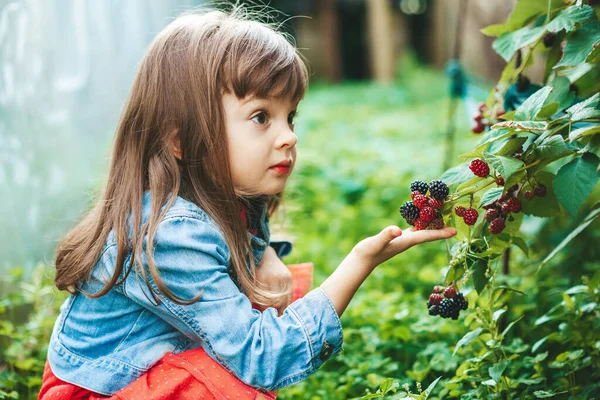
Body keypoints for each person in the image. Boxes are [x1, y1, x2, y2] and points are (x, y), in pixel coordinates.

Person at [38, 5, 456, 399]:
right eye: (261, 117)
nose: (289, 135)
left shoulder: (228, 194)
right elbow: (262, 358)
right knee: (226, 375)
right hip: (102, 389)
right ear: (180, 139)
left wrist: (267, 253)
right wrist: (360, 261)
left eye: (289, 116)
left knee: (265, 296)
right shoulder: (170, 233)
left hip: (146, 364)